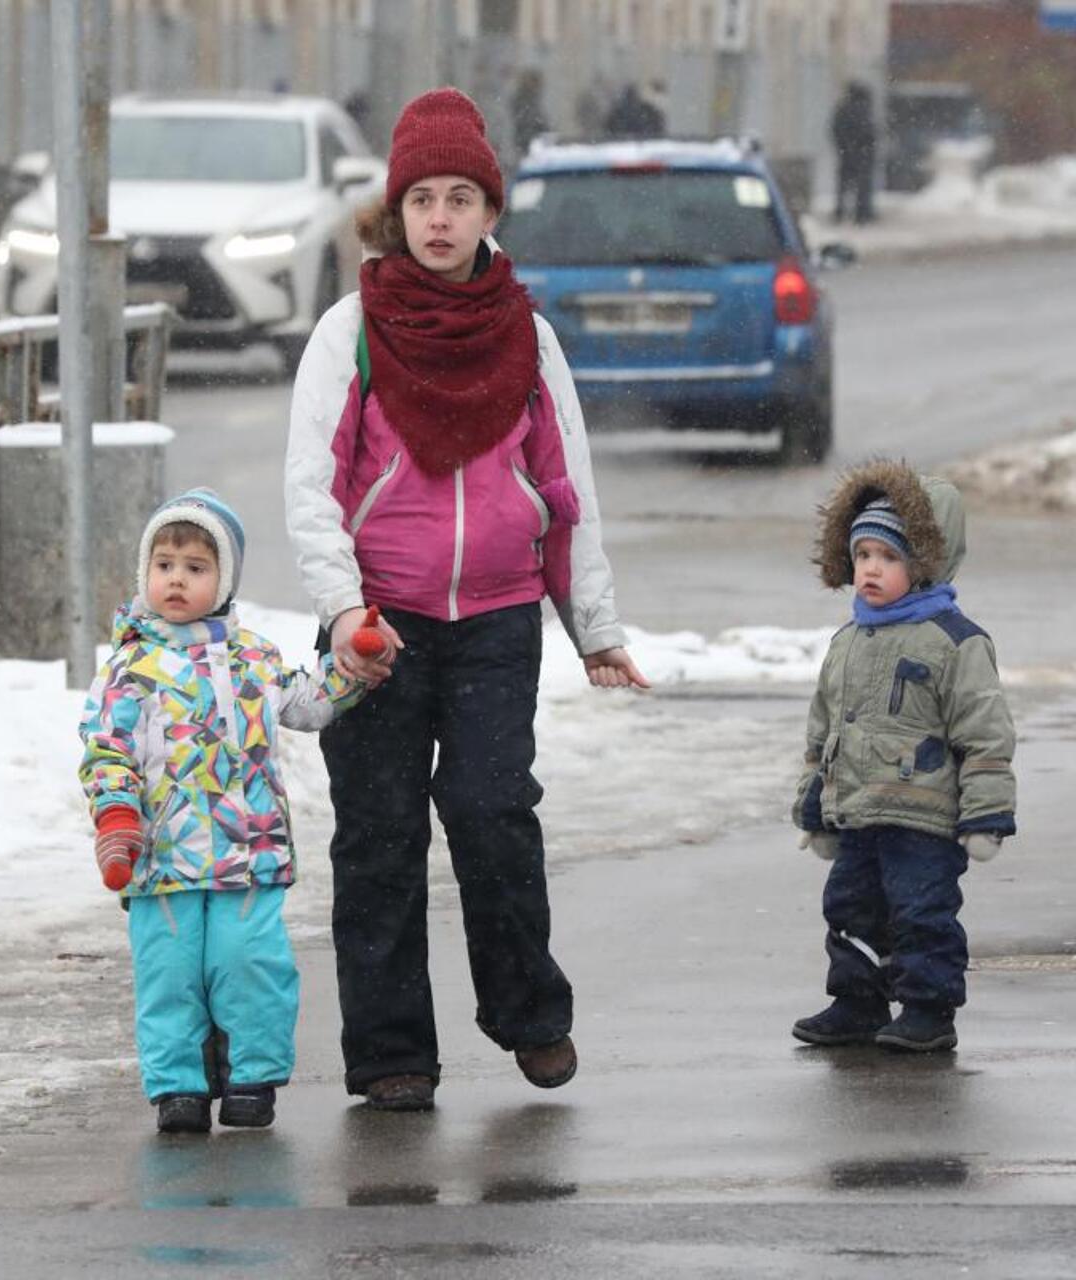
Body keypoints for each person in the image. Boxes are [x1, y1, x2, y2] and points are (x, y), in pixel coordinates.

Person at [284, 86, 649, 1112]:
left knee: (491, 810)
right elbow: (310, 488)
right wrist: (345, 608)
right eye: (421, 200)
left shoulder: (526, 339)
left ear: (490, 213)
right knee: (379, 832)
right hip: (375, 625)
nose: (439, 219)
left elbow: (566, 488)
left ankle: (529, 1012)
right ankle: (391, 1051)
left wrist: (595, 629)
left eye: (459, 198)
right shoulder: (348, 332)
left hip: (493, 617)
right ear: (394, 214)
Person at [78, 488, 378, 1134]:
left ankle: (252, 1074)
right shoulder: (130, 669)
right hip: (162, 860)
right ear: (145, 575)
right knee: (169, 973)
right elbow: (107, 749)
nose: (177, 579)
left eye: (195, 567)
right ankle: (179, 1085)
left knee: (250, 964)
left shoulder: (254, 659)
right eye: (164, 565)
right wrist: (116, 818)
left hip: (249, 853)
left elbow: (307, 702)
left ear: (224, 581)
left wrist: (354, 668)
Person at [791, 461, 1017, 1053]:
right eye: (863, 554)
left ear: (925, 565)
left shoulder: (955, 641)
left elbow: (985, 734)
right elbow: (825, 732)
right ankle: (857, 1000)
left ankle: (928, 1008)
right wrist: (815, 807)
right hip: (860, 813)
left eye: (888, 558)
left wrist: (986, 815)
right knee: (848, 906)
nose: (871, 568)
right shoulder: (847, 642)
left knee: (922, 912)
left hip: (926, 818)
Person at [830, 80, 877, 224]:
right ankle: (862, 214)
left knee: (844, 186)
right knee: (863, 186)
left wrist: (844, 147)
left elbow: (835, 129)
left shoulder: (843, 109)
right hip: (861, 153)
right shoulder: (863, 110)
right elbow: (869, 132)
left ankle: (840, 213)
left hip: (847, 153)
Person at [509, 68, 550, 160]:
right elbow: (528, 120)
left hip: (531, 141)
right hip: (527, 141)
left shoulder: (533, 100)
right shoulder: (523, 100)